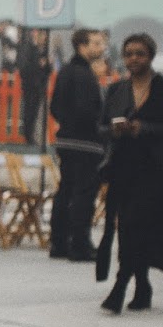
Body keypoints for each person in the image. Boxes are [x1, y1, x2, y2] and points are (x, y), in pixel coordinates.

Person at [95, 33, 163, 313]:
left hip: (157, 170)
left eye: (140, 54)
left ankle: (120, 287)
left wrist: (144, 129)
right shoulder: (117, 90)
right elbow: (101, 127)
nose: (134, 59)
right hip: (124, 167)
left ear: (151, 56)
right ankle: (143, 286)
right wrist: (115, 130)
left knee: (138, 224)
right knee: (130, 228)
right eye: (129, 54)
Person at [49, 27, 106, 261]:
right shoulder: (85, 75)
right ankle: (80, 244)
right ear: (82, 46)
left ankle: (59, 242)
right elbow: (87, 110)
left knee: (65, 191)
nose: (101, 48)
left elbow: (54, 107)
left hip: (65, 140)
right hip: (86, 142)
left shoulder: (65, 72)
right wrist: (100, 127)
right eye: (96, 43)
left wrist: (67, 123)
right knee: (84, 194)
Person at [17, 27, 52, 145]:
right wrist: (38, 64)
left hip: (40, 86)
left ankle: (34, 135)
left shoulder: (44, 51)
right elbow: (24, 67)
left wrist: (47, 65)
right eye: (43, 36)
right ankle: (28, 136)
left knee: (36, 111)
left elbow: (48, 70)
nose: (45, 39)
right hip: (30, 86)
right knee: (29, 111)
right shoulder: (29, 49)